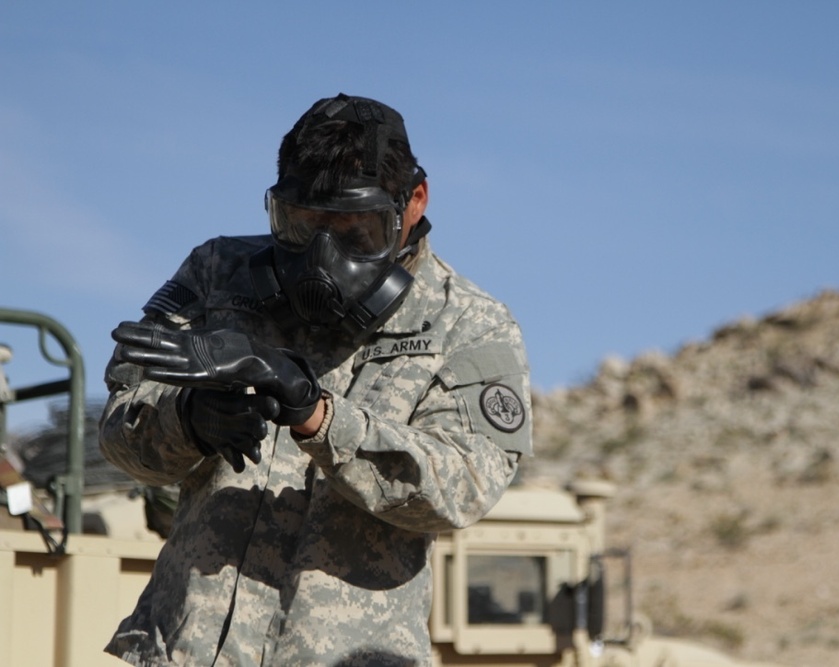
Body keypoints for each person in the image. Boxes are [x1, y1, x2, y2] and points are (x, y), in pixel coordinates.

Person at [99, 93, 532, 666]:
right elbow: (122, 430)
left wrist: (318, 416)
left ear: (413, 203)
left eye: (356, 232)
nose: (322, 257)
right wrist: (189, 421)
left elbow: (464, 487)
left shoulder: (469, 323)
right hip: (184, 650)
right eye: (302, 227)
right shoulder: (216, 273)